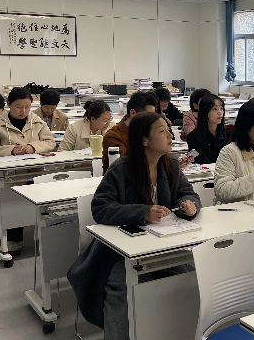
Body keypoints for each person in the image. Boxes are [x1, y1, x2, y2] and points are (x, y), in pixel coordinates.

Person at [68, 111, 202, 339]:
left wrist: (189, 205)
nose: (170, 136)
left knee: (187, 276)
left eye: (169, 130)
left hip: (161, 247)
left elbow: (188, 194)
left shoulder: (169, 165)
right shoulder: (122, 168)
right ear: (144, 140)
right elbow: (100, 208)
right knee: (122, 285)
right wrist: (142, 213)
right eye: (162, 131)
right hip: (118, 253)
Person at [0, 86, 56, 253]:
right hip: (11, 176)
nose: (23, 111)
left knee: (44, 199)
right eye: (19, 107)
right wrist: (11, 150)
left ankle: (45, 234)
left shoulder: (37, 121)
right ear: (9, 104)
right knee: (13, 203)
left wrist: (33, 147)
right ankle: (12, 239)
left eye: (27, 107)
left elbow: (50, 142)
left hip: (36, 172)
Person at [101, 91, 159, 172]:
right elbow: (127, 166)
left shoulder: (149, 132)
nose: (152, 120)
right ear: (133, 113)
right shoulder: (113, 136)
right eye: (148, 116)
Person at [186, 94, 229, 165]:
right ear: (205, 111)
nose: (220, 112)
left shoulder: (228, 133)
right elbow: (202, 161)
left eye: (221, 108)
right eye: (215, 109)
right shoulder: (194, 137)